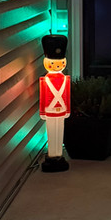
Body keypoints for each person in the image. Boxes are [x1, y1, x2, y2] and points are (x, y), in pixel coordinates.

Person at [39, 33, 71, 172]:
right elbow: (43, 96)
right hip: (50, 111)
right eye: (53, 63)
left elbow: (67, 95)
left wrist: (68, 110)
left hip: (62, 109)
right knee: (52, 133)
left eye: (60, 63)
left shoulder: (66, 79)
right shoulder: (45, 80)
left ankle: (58, 154)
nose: (57, 66)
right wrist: (42, 111)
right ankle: (52, 154)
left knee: (60, 133)